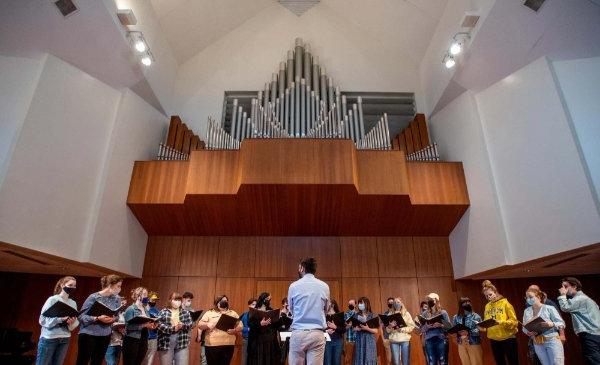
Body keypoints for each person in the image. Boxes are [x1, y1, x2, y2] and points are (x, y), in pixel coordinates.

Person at [287, 257, 330, 365]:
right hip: (317, 332)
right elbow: (326, 309)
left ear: (302, 268)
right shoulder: (324, 286)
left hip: (299, 332)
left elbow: (291, 309)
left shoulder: (294, 286)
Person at [77, 274, 123, 365]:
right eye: (118, 286)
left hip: (105, 335)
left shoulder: (117, 299)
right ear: (110, 285)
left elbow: (117, 316)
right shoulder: (94, 297)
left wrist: (113, 319)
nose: (119, 289)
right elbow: (81, 316)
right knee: (82, 361)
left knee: (97, 362)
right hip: (89, 334)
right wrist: (97, 318)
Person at [36, 276, 79, 365]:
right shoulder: (53, 299)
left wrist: (72, 322)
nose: (72, 288)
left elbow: (74, 323)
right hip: (49, 338)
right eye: (70, 285)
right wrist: (60, 319)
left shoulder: (73, 303)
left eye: (74, 286)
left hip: (65, 338)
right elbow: (42, 320)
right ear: (62, 285)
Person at [557, 277, 600, 365]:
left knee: (593, 360)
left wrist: (562, 295)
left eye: (565, 286)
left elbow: (565, 307)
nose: (563, 289)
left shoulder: (580, 299)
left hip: (589, 333)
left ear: (574, 286)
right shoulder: (585, 298)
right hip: (594, 333)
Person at [522, 287, 565, 365]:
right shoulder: (527, 311)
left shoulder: (549, 308)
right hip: (537, 342)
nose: (528, 299)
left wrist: (552, 324)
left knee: (557, 363)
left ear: (538, 297)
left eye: (530, 297)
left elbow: (562, 324)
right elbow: (524, 327)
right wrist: (528, 332)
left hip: (552, 340)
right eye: (527, 297)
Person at [480, 280, 519, 365]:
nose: (489, 297)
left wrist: (501, 322)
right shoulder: (487, 306)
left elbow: (514, 321)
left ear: (495, 292)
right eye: (486, 296)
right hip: (494, 339)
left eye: (490, 294)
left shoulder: (505, 303)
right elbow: (487, 322)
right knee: (500, 362)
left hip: (508, 338)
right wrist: (482, 326)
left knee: (513, 362)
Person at [198, 294, 242, 365]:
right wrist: (207, 325)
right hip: (212, 345)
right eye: (222, 301)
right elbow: (200, 325)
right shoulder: (209, 313)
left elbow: (240, 325)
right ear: (217, 302)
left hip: (228, 345)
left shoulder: (233, 313)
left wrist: (235, 330)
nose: (224, 302)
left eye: (226, 301)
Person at [123, 287, 157, 365]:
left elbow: (147, 323)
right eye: (144, 294)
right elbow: (127, 327)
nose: (146, 297)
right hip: (132, 340)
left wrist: (152, 325)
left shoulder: (145, 309)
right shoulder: (130, 309)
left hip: (144, 339)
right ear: (138, 296)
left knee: (138, 362)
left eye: (147, 295)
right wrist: (143, 325)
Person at [157, 292, 193, 365]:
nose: (178, 302)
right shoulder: (163, 312)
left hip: (181, 341)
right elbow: (159, 324)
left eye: (179, 300)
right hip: (166, 342)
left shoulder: (185, 312)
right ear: (170, 300)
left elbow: (190, 324)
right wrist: (172, 328)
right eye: (175, 300)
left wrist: (183, 325)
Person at [248, 292, 281, 365]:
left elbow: (276, 326)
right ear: (262, 299)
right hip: (258, 340)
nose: (269, 300)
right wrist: (260, 324)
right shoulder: (254, 311)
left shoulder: (271, 310)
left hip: (270, 340)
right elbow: (251, 325)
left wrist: (279, 317)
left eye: (270, 299)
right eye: (267, 299)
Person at [419, 293, 450, 365]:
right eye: (428, 300)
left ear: (436, 301)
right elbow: (421, 329)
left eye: (431, 299)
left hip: (441, 339)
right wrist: (427, 326)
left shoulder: (443, 312)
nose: (429, 301)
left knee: (443, 362)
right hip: (429, 340)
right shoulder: (424, 314)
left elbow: (449, 327)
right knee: (432, 362)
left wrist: (441, 325)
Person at [452, 297, 483, 365]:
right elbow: (453, 329)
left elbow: (481, 329)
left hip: (473, 342)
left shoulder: (475, 316)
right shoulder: (456, 317)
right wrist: (457, 332)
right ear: (461, 305)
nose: (467, 304)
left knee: (476, 362)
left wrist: (469, 332)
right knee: (465, 363)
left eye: (468, 302)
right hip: (461, 343)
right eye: (465, 303)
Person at [385, 298, 415, 365]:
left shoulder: (406, 313)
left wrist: (402, 329)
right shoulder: (390, 314)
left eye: (398, 302)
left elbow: (412, 326)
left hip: (404, 340)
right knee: (396, 362)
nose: (396, 304)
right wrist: (390, 326)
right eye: (395, 302)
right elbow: (387, 330)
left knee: (405, 362)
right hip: (394, 340)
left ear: (401, 303)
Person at [349, 297, 378, 365]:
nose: (359, 304)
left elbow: (376, 331)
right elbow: (353, 328)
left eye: (361, 303)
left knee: (369, 357)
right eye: (359, 303)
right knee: (359, 358)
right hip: (360, 339)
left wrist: (367, 329)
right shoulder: (356, 315)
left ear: (366, 304)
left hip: (369, 340)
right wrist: (356, 329)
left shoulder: (373, 315)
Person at [105, 296, 127, 365]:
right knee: (110, 363)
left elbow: (127, 327)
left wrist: (123, 330)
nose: (123, 305)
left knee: (116, 363)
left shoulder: (125, 314)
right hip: (110, 342)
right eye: (122, 303)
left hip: (120, 343)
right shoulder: (110, 312)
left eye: (125, 304)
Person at [324, 299, 345, 365]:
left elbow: (343, 330)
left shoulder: (339, 315)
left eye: (328, 303)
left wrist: (335, 327)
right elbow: (318, 330)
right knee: (327, 362)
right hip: (326, 341)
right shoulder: (323, 316)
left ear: (333, 305)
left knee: (337, 362)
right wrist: (326, 331)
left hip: (338, 341)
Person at [143, 292, 160, 365]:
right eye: (153, 300)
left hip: (153, 337)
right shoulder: (143, 309)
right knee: (141, 358)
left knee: (149, 360)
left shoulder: (156, 311)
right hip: (143, 336)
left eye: (155, 300)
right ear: (148, 299)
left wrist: (157, 325)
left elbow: (159, 322)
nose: (154, 302)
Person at [239, 298, 257, 365]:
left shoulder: (259, 315)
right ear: (249, 305)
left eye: (256, 304)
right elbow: (239, 327)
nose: (254, 306)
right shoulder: (244, 315)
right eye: (253, 304)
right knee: (245, 359)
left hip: (256, 340)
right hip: (246, 339)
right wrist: (248, 329)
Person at [381, 297, 395, 365]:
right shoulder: (385, 314)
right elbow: (381, 327)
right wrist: (383, 339)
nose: (390, 304)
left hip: (397, 339)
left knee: (398, 360)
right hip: (387, 339)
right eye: (389, 303)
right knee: (389, 360)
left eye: (392, 303)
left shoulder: (397, 313)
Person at [344, 299, 357, 363]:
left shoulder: (358, 314)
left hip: (358, 340)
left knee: (357, 358)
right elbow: (343, 328)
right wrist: (348, 326)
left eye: (351, 304)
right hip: (349, 339)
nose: (350, 305)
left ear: (355, 305)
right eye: (349, 304)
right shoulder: (345, 315)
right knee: (348, 359)